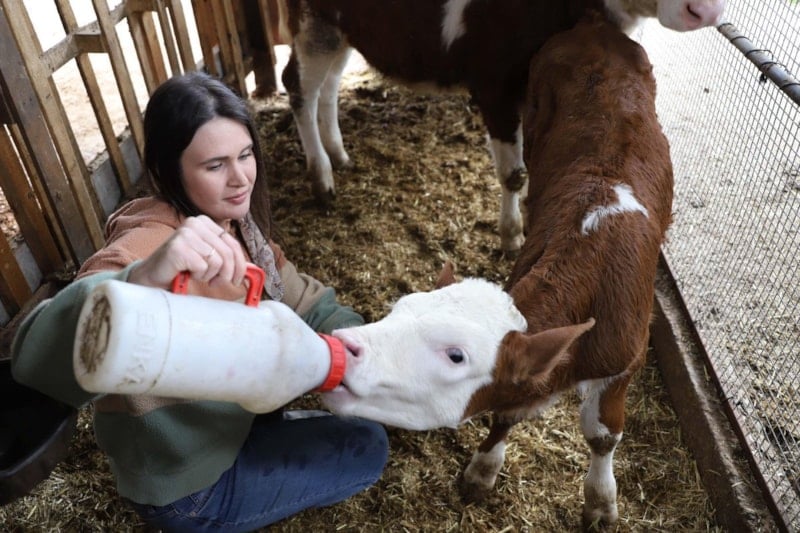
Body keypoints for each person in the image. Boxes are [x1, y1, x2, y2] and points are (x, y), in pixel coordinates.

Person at [11, 71, 388, 532]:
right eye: (215, 166)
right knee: (369, 448)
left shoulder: (236, 227)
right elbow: (38, 359)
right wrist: (144, 278)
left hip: (236, 428)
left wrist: (370, 346)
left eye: (246, 155)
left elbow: (302, 298)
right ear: (168, 171)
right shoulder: (151, 243)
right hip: (192, 488)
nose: (240, 179)